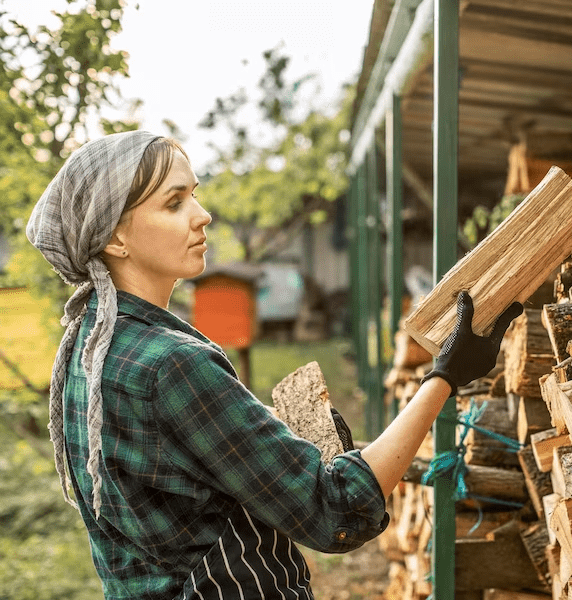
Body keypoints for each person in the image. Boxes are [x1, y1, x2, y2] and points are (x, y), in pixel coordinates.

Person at [26, 130, 523, 599]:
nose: (202, 215)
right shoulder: (173, 365)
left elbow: (183, 475)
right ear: (114, 239)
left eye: (194, 194)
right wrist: (447, 374)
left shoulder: (84, 346)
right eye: (174, 203)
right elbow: (335, 509)